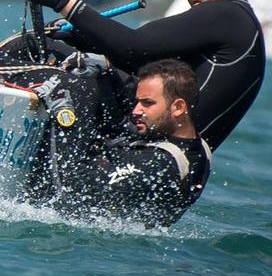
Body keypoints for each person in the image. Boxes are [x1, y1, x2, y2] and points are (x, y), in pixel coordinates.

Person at [21, 0, 265, 152]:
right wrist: (84, 38)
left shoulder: (228, 15)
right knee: (77, 59)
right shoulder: (236, 20)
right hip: (168, 161)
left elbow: (135, 47)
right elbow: (146, 66)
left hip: (156, 158)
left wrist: (62, 0)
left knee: (33, 49)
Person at [49, 59, 211, 227]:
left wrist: (65, 117)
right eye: (138, 101)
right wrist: (107, 74)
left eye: (147, 103)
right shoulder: (193, 143)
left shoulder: (158, 163)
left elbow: (73, 188)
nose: (136, 110)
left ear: (178, 107)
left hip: (93, 237)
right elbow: (120, 126)